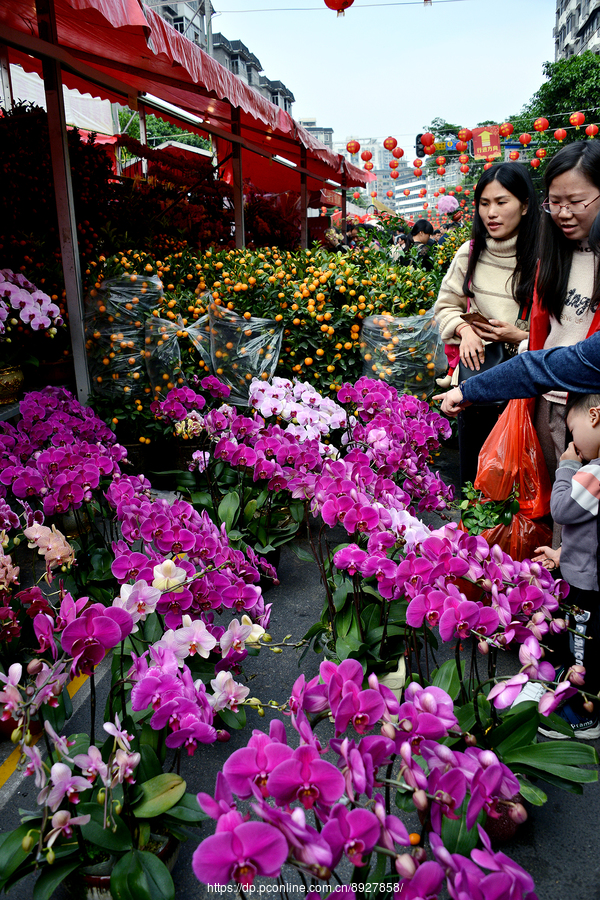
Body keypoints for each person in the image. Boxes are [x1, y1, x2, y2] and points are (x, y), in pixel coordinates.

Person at [433, 163, 539, 485]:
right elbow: (444, 308)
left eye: (501, 202)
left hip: (528, 388)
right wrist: (464, 331)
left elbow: (566, 330)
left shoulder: (546, 256)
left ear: (524, 204)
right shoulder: (470, 254)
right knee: (475, 479)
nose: (491, 213)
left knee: (520, 482)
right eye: (484, 203)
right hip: (476, 383)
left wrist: (519, 335)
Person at [527, 141, 600, 492]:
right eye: (555, 203)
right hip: (547, 400)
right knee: (551, 500)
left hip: (591, 410)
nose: (563, 213)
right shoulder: (552, 258)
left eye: (576, 202)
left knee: (579, 515)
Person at [538, 392, 600, 739]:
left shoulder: (595, 473)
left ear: (594, 416)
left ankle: (580, 715)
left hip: (585, 585)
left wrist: (567, 466)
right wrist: (565, 554)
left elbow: (562, 509)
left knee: (582, 644)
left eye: (572, 430)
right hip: (585, 568)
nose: (572, 442)